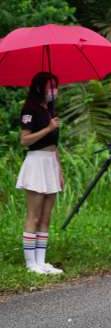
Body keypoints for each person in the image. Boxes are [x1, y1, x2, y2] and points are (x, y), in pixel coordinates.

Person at [16, 72, 64, 275]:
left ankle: (42, 261)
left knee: (46, 216)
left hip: (50, 163)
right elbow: (24, 140)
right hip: (36, 163)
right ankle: (30, 264)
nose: (55, 91)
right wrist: (48, 128)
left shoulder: (50, 110)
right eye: (51, 87)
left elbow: (55, 145)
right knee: (34, 215)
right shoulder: (30, 110)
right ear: (39, 88)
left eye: (56, 86)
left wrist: (60, 170)